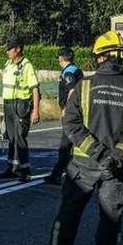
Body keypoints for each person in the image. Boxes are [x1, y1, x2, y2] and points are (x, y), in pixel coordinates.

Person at [37, 30, 123, 245]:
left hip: (83, 165)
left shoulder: (83, 87)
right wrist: (116, 154)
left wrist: (97, 152)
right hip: (117, 167)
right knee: (111, 219)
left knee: (68, 213)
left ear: (99, 57)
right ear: (121, 58)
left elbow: (71, 124)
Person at [0, 37, 41, 182]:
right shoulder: (8, 64)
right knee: (10, 137)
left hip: (21, 105)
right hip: (8, 104)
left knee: (20, 138)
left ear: (18, 49)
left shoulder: (27, 66)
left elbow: (35, 89)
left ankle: (25, 171)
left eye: (10, 48)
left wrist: (36, 111)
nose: (7, 51)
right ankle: (11, 168)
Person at [44, 47, 84, 186]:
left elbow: (72, 90)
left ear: (61, 58)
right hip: (79, 112)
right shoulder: (76, 69)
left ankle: (57, 176)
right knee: (71, 145)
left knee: (65, 146)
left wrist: (67, 108)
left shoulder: (68, 72)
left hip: (72, 114)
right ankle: (65, 174)